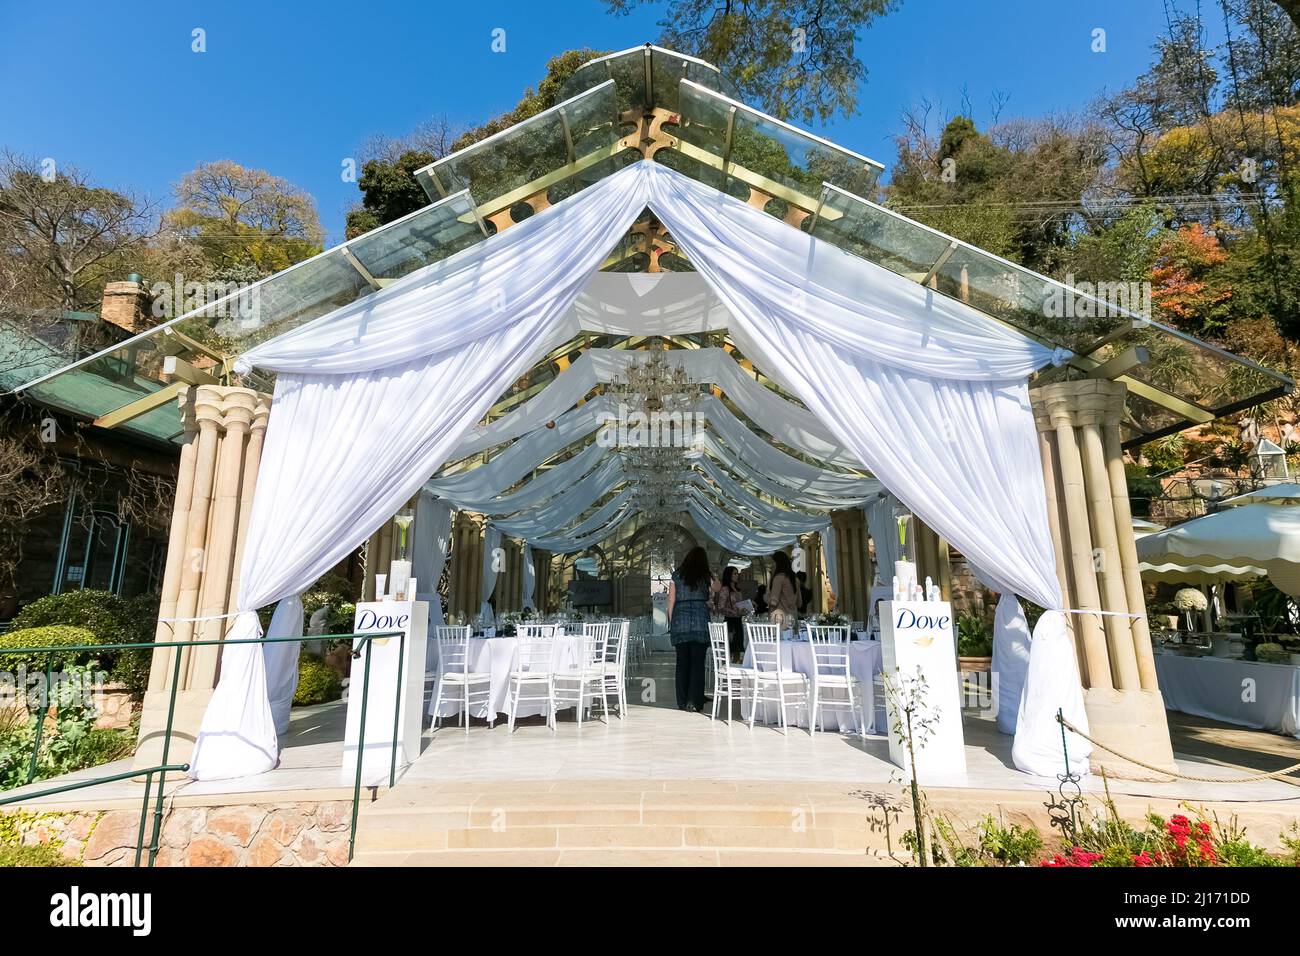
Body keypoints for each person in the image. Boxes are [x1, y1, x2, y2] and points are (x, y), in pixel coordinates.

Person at [667, 545, 712, 712]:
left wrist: (672, 622)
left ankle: (681, 700)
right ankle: (694, 702)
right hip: (700, 620)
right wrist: (711, 573)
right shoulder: (705, 575)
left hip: (681, 620)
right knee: (697, 663)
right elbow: (718, 588)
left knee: (682, 662)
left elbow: (671, 600)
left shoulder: (676, 575)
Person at [711, 565, 745, 663]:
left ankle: (737, 669)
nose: (737, 575)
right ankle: (730, 670)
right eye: (734, 573)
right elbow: (721, 607)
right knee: (731, 647)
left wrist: (744, 609)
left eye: (737, 573)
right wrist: (733, 612)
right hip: (730, 621)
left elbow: (739, 605)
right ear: (729, 575)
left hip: (738, 621)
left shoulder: (738, 590)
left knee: (738, 647)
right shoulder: (725, 589)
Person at [767, 550, 799, 630]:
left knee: (779, 641)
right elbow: (799, 603)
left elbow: (774, 602)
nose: (771, 566)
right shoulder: (795, 579)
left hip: (780, 619)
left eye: (773, 563)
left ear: (778, 563)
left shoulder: (779, 578)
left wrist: (767, 596)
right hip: (793, 618)